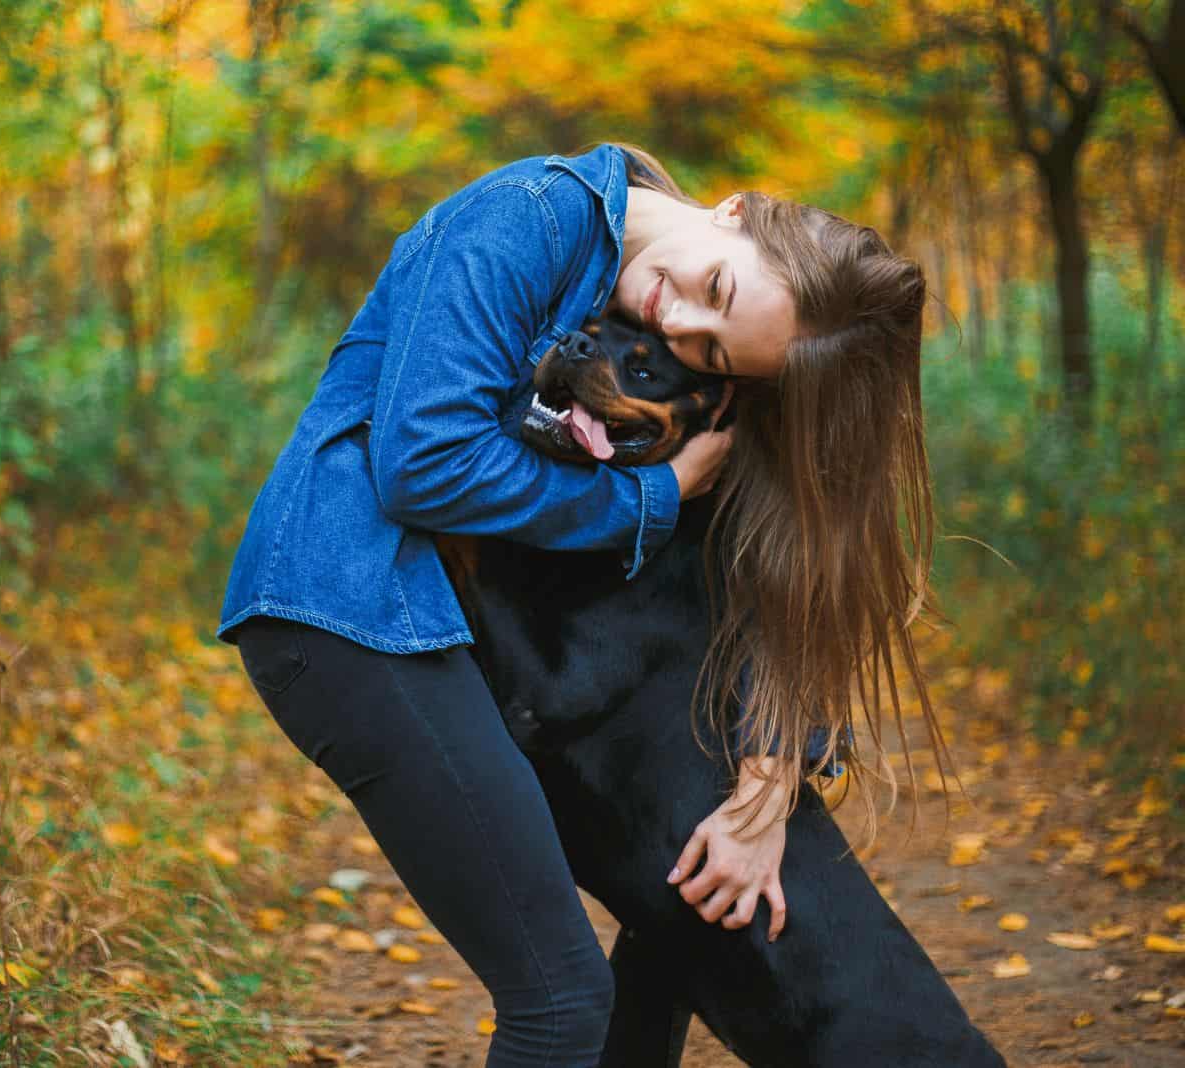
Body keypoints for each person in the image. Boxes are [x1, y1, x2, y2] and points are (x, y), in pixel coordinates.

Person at [217, 142, 938, 1066]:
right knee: (557, 999)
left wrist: (766, 784)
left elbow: (783, 564)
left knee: (658, 948)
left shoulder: (626, 291)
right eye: (711, 288)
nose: (671, 319)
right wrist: (654, 497)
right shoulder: (528, 217)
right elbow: (423, 465)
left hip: (426, 617)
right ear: (736, 209)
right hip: (347, 605)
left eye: (710, 348)